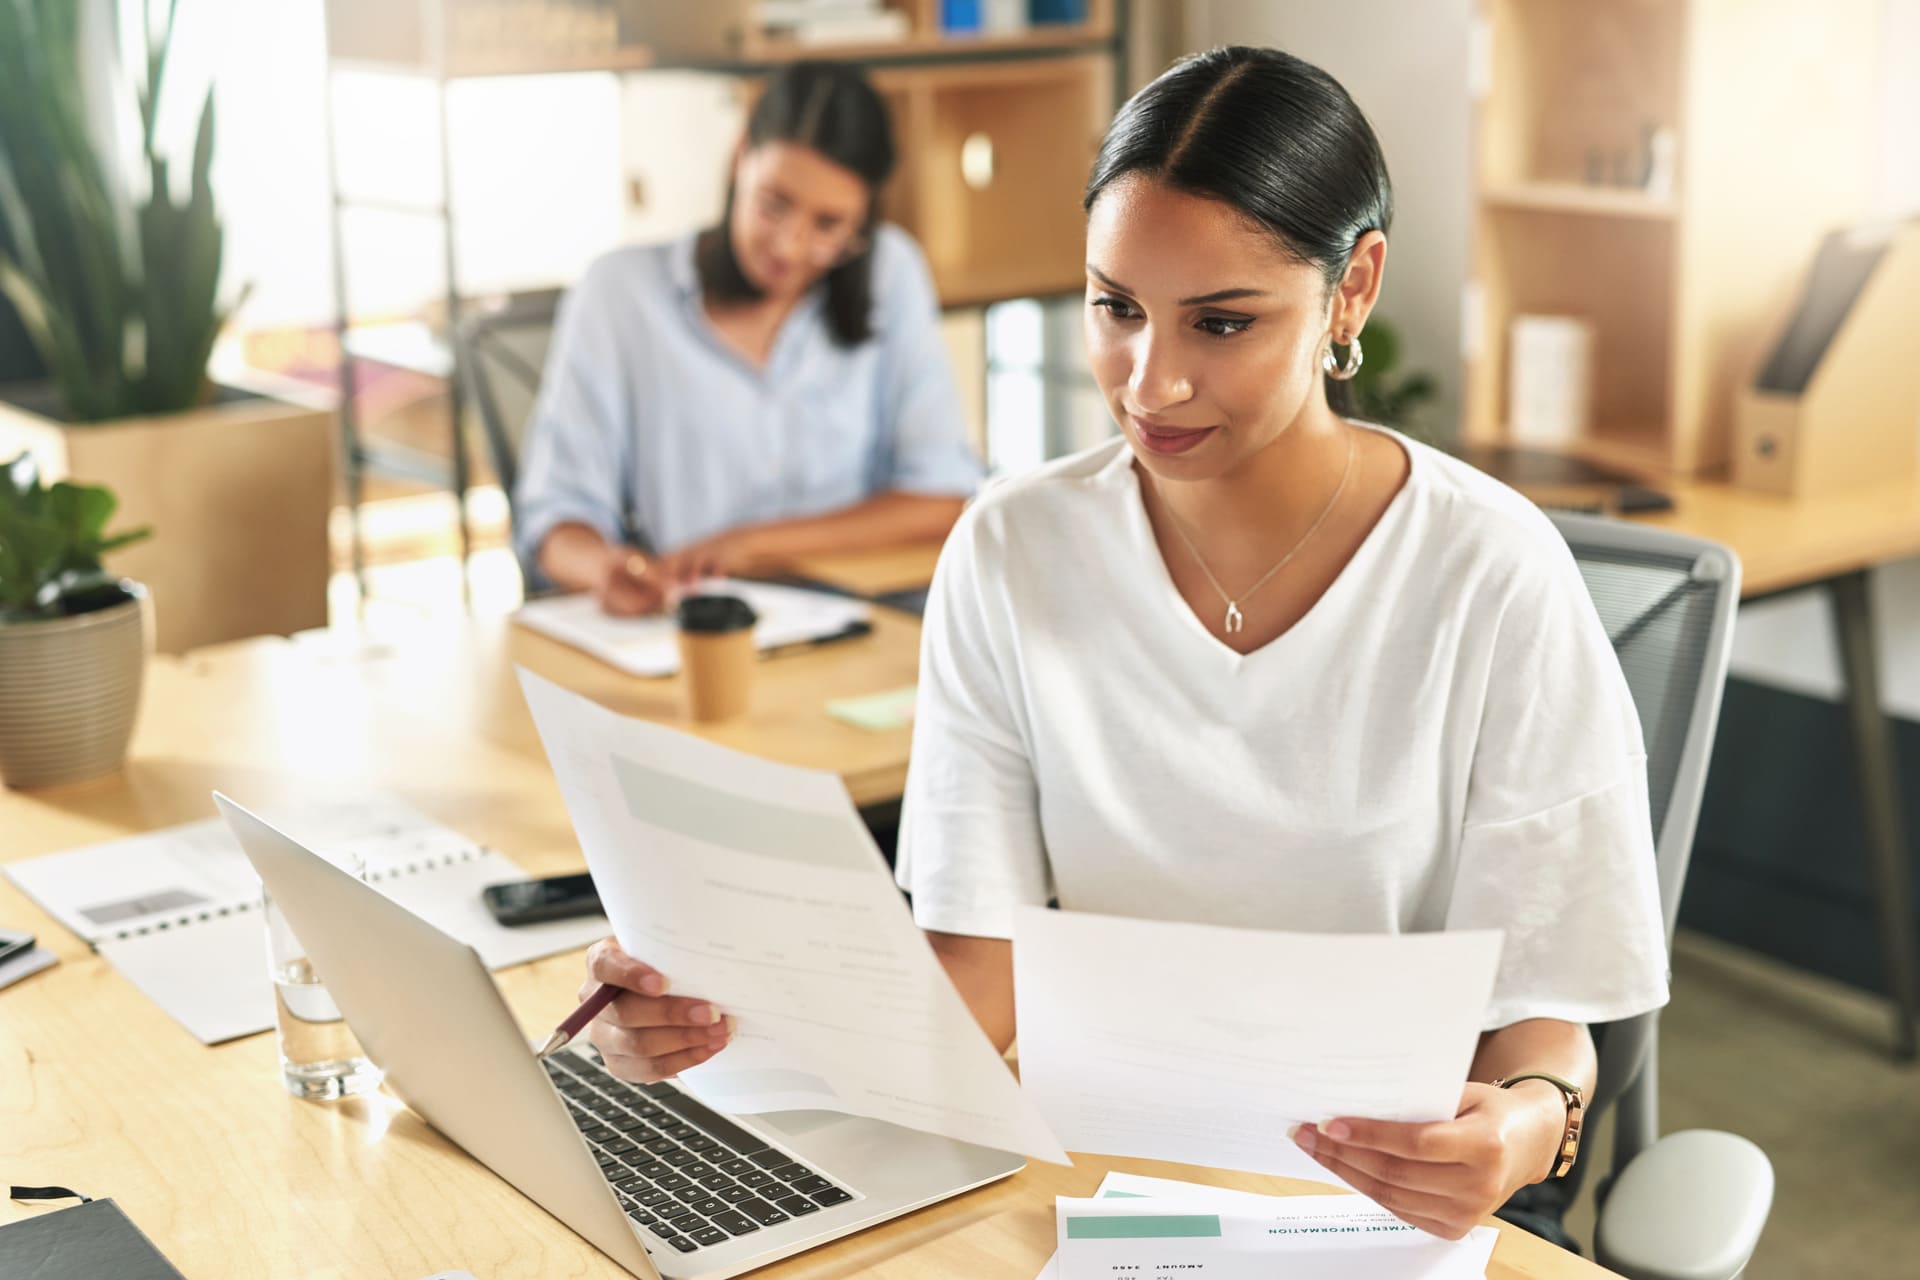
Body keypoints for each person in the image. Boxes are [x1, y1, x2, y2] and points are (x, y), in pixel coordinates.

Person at [575, 46, 1667, 1246]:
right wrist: (718, 1020)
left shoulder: (1491, 573)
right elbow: (972, 974)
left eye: (1222, 321)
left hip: (1370, 1210)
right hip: (1088, 1196)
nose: (1152, 382)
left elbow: (1546, 1027)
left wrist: (1522, 1128)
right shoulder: (1011, 549)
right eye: (1117, 307)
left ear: (1352, 289)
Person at [514, 60, 981, 613]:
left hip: (866, 611)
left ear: (861, 224)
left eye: (829, 225)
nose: (790, 245)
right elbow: (554, 522)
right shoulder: (620, 294)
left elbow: (940, 498)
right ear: (739, 159)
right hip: (697, 619)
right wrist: (605, 569)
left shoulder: (890, 270)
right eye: (773, 204)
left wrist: (747, 546)